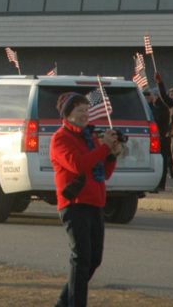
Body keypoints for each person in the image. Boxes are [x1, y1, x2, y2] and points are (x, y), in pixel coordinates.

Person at [50, 92, 121, 307]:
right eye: (80, 110)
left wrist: (111, 153)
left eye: (87, 110)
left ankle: (64, 303)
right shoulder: (60, 138)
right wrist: (103, 148)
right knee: (81, 258)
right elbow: (78, 165)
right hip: (74, 204)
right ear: (67, 114)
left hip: (95, 202)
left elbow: (103, 172)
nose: (85, 114)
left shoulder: (89, 137)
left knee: (93, 259)